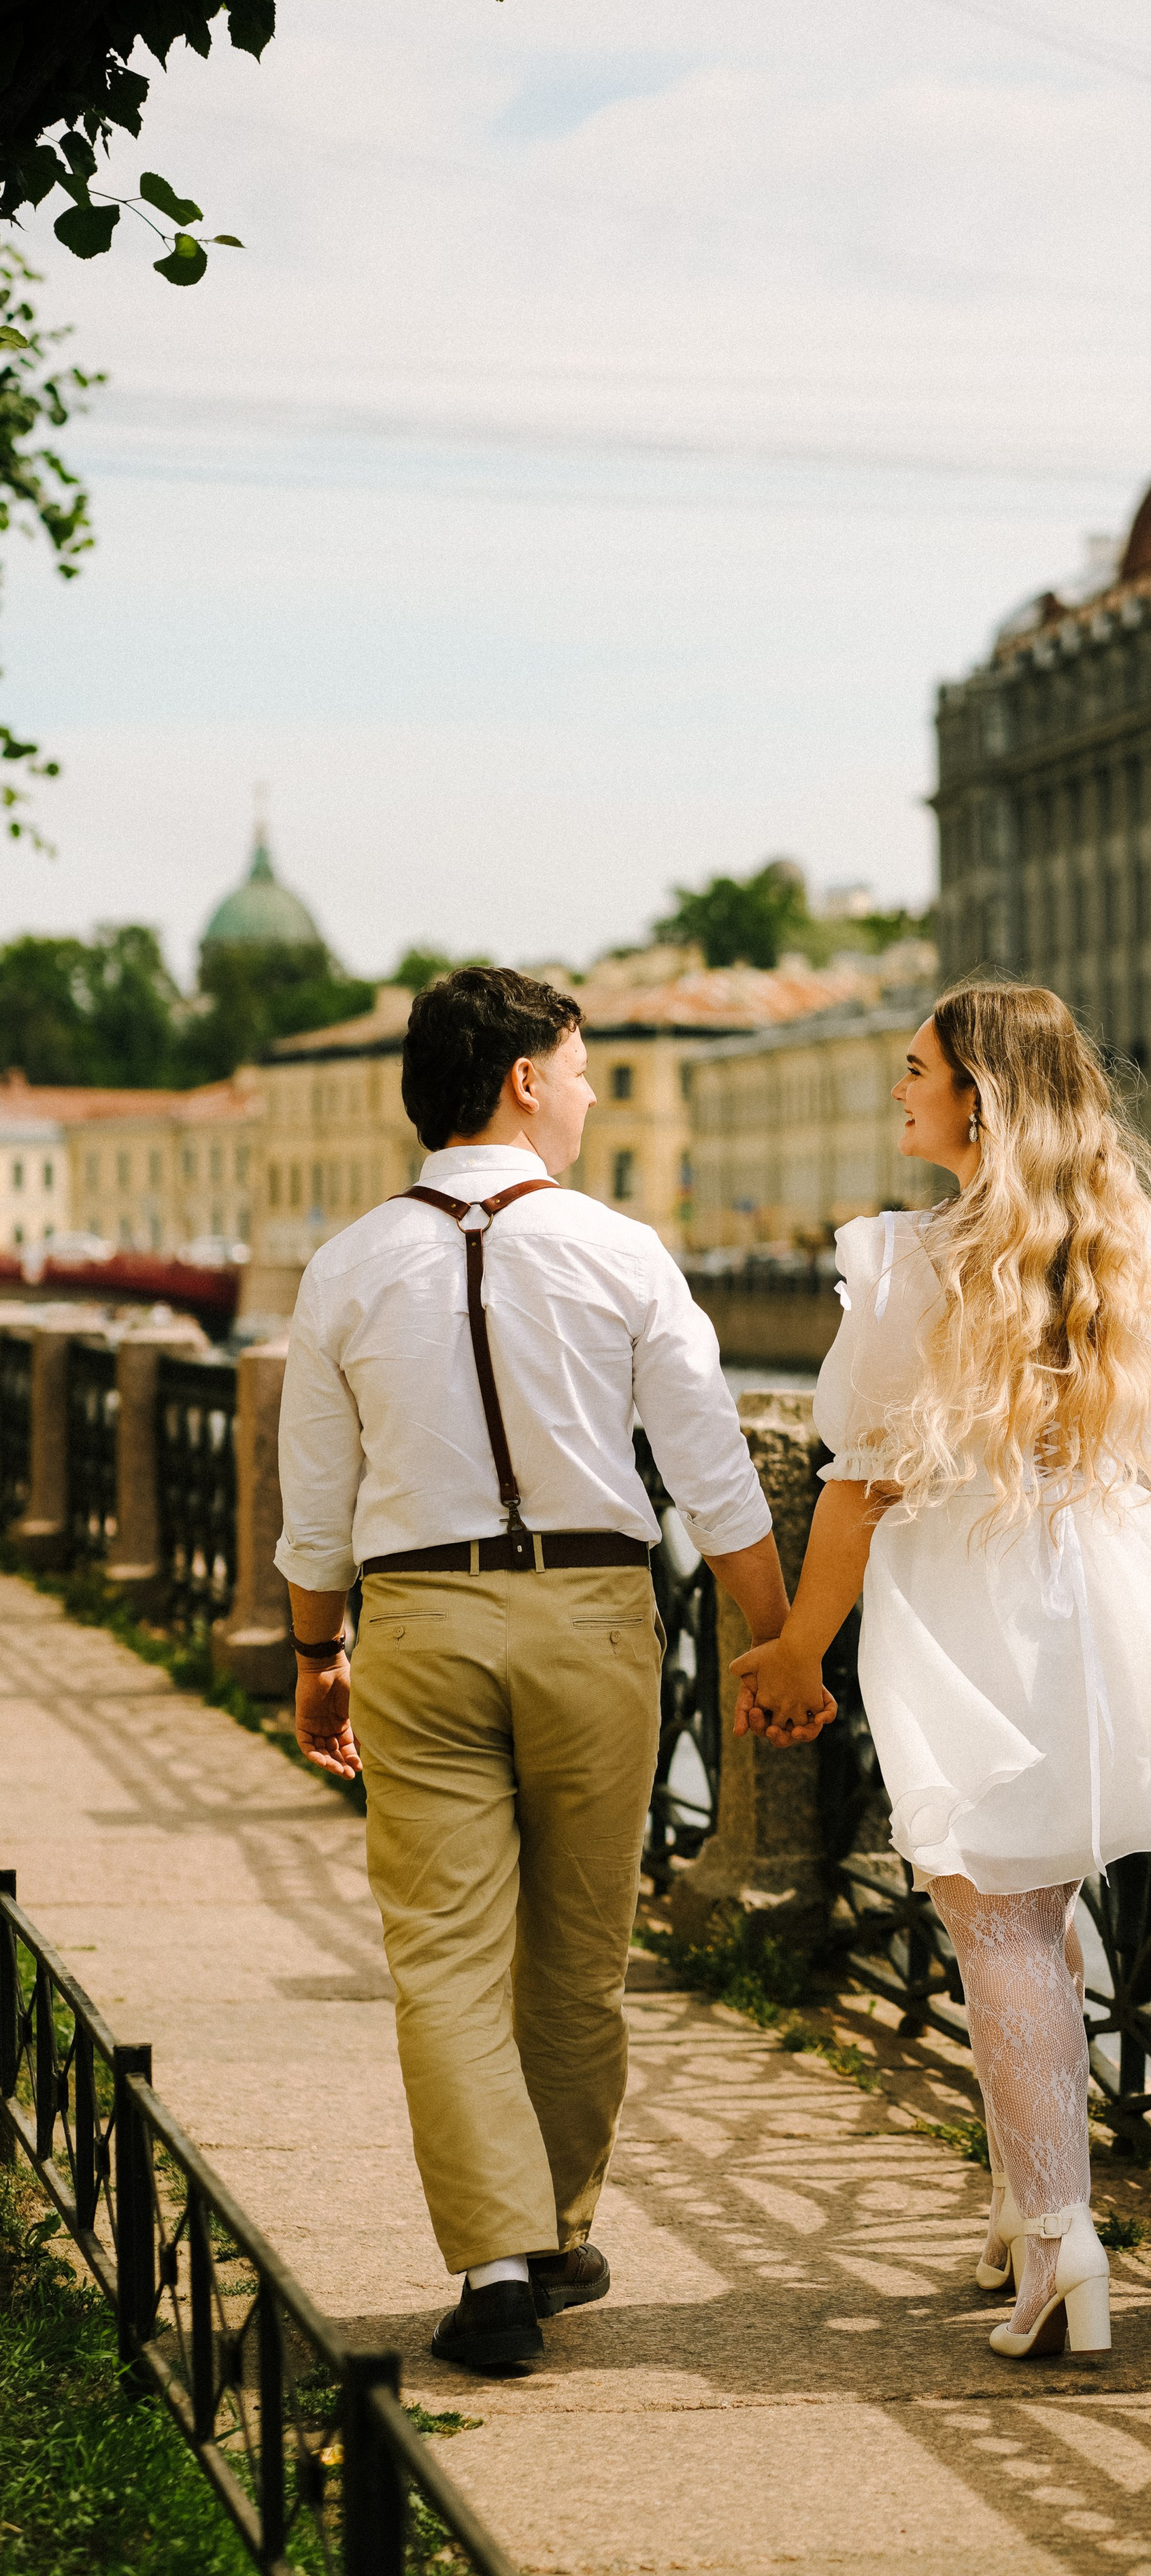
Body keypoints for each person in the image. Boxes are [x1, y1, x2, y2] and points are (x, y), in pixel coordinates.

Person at [278, 965, 812, 2374]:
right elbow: (711, 1469)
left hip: (415, 1626)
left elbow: (314, 1506)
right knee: (576, 1965)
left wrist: (312, 1657)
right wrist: (770, 1642)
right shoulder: (620, 1248)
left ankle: (496, 2263)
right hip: (588, 1619)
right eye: (578, 1069)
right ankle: (558, 2228)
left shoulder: (344, 1265)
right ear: (523, 1077)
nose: (586, 1092)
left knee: (443, 1963)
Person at [731, 979, 1151, 2360]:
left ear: (978, 1096)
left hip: (975, 1598)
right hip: (1119, 1586)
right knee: (1036, 1910)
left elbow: (855, 1486)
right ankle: (1024, 2196)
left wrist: (796, 1648)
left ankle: (1059, 2242)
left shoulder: (909, 1262)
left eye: (915, 1070)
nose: (897, 1090)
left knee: (995, 1923)